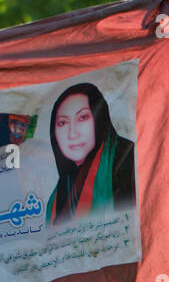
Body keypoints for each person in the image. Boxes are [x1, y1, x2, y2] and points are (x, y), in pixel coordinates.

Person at [45, 82, 136, 223]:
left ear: (99, 119)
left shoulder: (126, 157)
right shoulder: (58, 194)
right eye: (62, 123)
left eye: (82, 118)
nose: (72, 134)